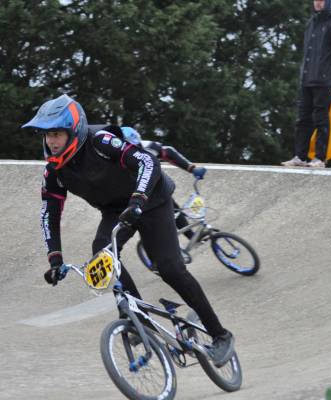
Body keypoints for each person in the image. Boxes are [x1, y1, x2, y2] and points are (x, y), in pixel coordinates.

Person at [22, 94, 234, 367]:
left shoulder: (100, 141)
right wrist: (55, 259)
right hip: (115, 210)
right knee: (102, 253)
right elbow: (49, 215)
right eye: (47, 135)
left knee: (170, 269)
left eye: (56, 134)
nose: (50, 141)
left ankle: (220, 335)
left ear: (73, 131)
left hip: (152, 200)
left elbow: (148, 162)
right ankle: (137, 317)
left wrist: (138, 200)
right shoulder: (54, 171)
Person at [282, 0, 331, 168]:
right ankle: (300, 156)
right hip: (306, 79)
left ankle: (319, 158)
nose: (318, 3)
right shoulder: (311, 23)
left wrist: (330, 77)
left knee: (321, 119)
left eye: (321, 0)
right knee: (302, 119)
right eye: (316, 0)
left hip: (323, 81)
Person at [120, 126, 206, 241]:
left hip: (152, 188)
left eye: (136, 148)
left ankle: (191, 236)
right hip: (130, 192)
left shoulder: (148, 147)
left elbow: (169, 153)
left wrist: (192, 168)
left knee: (172, 208)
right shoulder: (113, 154)